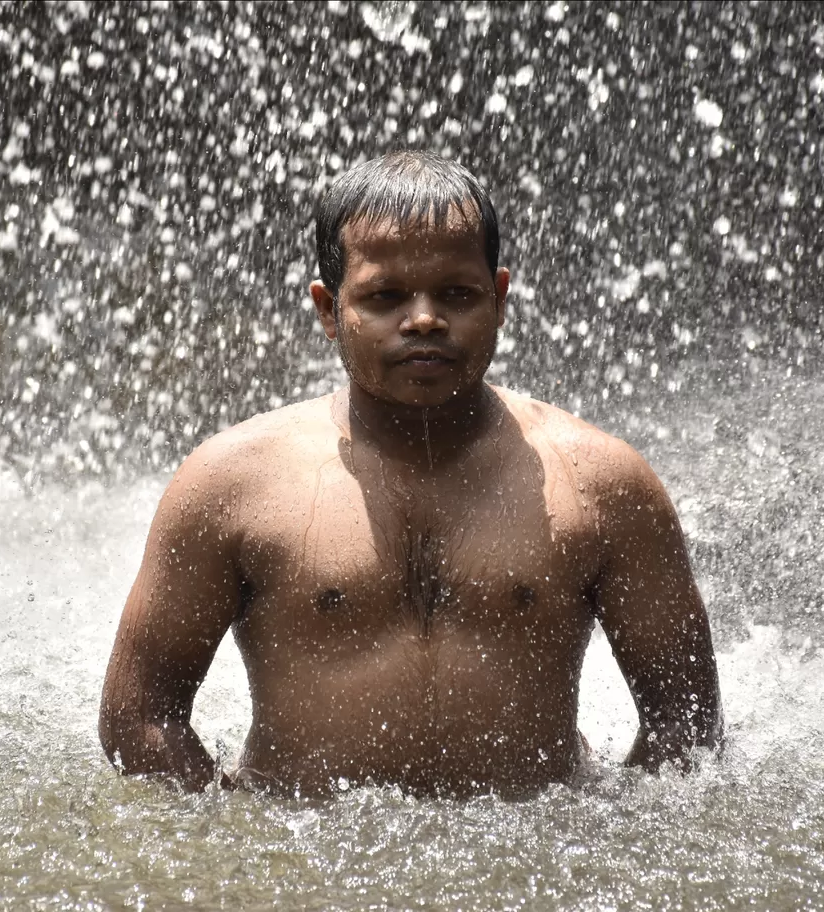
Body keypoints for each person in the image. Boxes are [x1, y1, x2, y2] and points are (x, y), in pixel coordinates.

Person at [99, 151, 723, 798]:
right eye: (385, 296)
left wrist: (602, 857)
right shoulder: (231, 485)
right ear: (327, 308)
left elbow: (687, 724)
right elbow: (140, 717)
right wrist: (244, 861)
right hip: (307, 874)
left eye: (456, 293)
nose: (424, 318)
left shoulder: (602, 484)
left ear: (500, 299)